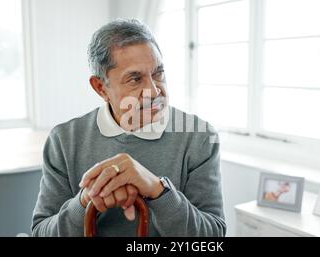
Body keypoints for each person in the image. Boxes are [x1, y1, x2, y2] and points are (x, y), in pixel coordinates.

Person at [31, 19, 226, 237]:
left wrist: (158, 190)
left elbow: (213, 236)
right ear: (101, 88)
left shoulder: (199, 137)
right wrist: (85, 201)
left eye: (158, 73)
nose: (153, 91)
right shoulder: (64, 140)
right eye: (135, 79)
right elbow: (40, 233)